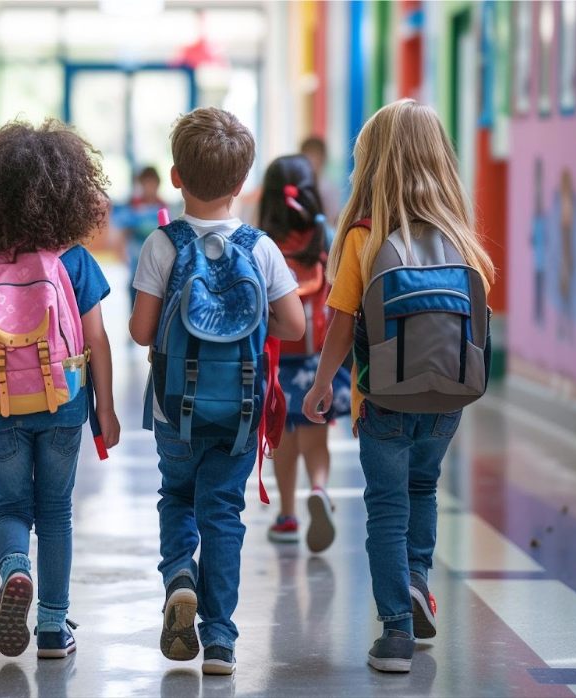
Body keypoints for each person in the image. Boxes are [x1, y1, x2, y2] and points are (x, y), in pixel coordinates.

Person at [301, 99, 495, 673]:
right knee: (423, 489)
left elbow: (340, 322)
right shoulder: (463, 240)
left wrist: (321, 387)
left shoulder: (364, 237)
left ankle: (394, 631)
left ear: (372, 166)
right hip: (448, 400)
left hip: (382, 397)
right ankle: (416, 578)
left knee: (386, 505)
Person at [129, 107, 305, 676]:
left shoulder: (163, 244)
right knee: (223, 514)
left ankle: (180, 574)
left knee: (177, 496)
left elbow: (139, 331)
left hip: (173, 410)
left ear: (176, 176)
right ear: (242, 183)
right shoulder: (261, 248)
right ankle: (222, 641)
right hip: (239, 413)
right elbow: (295, 326)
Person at [0, 119, 121, 660]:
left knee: (12, 506)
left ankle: (14, 568)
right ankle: (50, 627)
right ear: (69, 191)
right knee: (56, 513)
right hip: (64, 404)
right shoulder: (75, 260)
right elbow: (97, 340)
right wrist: (105, 411)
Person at [256, 154, 351, 553]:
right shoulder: (325, 238)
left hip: (276, 357)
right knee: (316, 437)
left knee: (283, 439)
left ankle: (287, 514)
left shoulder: (260, 242)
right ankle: (319, 488)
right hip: (319, 360)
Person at [124, 166, 168, 305]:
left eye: (152, 184)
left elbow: (167, 233)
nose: (149, 187)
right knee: (135, 289)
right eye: (146, 183)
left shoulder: (163, 206)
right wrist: (123, 253)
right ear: (141, 184)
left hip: (157, 259)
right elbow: (125, 231)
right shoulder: (134, 205)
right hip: (136, 259)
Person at [301, 135, 343, 218]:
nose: (312, 162)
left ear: (323, 159)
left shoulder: (328, 188)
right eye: (309, 156)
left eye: (316, 157)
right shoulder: (297, 186)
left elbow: (334, 217)